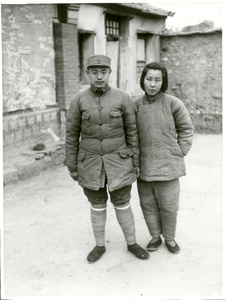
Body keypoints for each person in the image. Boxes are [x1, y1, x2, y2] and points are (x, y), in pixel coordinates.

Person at [65, 54, 149, 263]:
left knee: (122, 203)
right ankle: (100, 245)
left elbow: (132, 132)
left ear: (109, 73)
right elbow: (71, 135)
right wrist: (72, 166)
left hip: (119, 163)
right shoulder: (78, 100)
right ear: (88, 74)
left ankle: (132, 243)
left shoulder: (122, 98)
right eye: (95, 72)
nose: (99, 77)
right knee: (97, 203)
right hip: (90, 164)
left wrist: (136, 162)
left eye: (103, 72)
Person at [133, 62, 194, 254]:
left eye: (157, 80)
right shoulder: (135, 105)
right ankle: (154, 236)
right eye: (149, 79)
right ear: (143, 80)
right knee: (148, 205)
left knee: (169, 207)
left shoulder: (173, 103)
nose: (152, 84)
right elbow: (129, 133)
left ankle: (170, 238)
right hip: (144, 168)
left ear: (163, 82)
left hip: (169, 167)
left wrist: (179, 151)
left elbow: (186, 129)